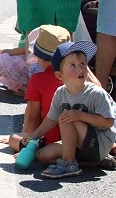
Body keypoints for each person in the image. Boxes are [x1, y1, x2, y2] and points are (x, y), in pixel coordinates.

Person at [21, 42, 116, 178]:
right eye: (73, 66)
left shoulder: (96, 93)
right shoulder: (61, 93)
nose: (80, 69)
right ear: (60, 76)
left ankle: (69, 163)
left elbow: (108, 122)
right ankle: (90, 163)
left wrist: (79, 116)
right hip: (79, 145)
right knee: (43, 156)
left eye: (83, 64)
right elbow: (51, 119)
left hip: (99, 143)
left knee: (66, 116)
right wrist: (34, 135)